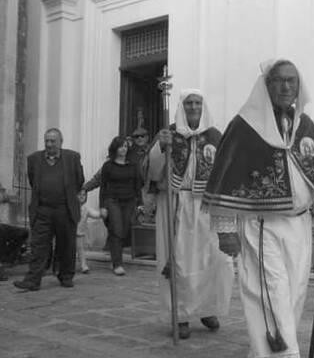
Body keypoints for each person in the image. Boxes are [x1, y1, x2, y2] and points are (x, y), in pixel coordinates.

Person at [202, 59, 314, 357]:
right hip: (262, 226)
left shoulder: (304, 125)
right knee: (271, 297)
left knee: (293, 296)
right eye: (279, 81)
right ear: (266, 85)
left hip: (299, 225)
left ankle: (266, 353)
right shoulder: (244, 127)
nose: (286, 87)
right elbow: (225, 178)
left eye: (292, 81)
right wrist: (225, 229)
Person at [144, 89, 234, 340]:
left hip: (207, 205)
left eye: (197, 103)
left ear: (204, 107)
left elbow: (228, 169)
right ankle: (180, 314)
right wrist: (160, 148)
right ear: (182, 107)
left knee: (214, 260)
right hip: (176, 203)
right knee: (179, 262)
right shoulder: (168, 133)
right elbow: (150, 171)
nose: (193, 107)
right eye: (189, 103)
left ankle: (207, 309)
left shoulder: (215, 136)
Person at [14, 128, 84, 291]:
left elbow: (79, 180)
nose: (49, 144)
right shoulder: (34, 159)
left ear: (61, 142)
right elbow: (33, 181)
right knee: (38, 246)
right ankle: (33, 280)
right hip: (43, 210)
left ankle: (66, 276)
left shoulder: (72, 158)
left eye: (53, 141)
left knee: (66, 245)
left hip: (65, 210)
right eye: (47, 141)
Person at [99, 136, 142, 276]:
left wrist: (140, 203)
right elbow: (103, 187)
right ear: (115, 148)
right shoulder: (108, 166)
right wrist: (102, 206)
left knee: (123, 230)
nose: (123, 149)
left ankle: (115, 256)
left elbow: (137, 185)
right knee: (116, 230)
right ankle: (117, 263)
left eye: (125, 146)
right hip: (112, 200)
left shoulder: (133, 166)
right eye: (120, 146)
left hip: (129, 201)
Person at [76, 191, 107, 273]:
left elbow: (94, 214)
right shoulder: (71, 206)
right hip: (69, 232)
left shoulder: (86, 208)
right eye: (79, 195)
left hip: (79, 233)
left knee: (80, 249)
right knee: (68, 249)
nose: (82, 197)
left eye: (84, 195)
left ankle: (83, 265)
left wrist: (101, 214)